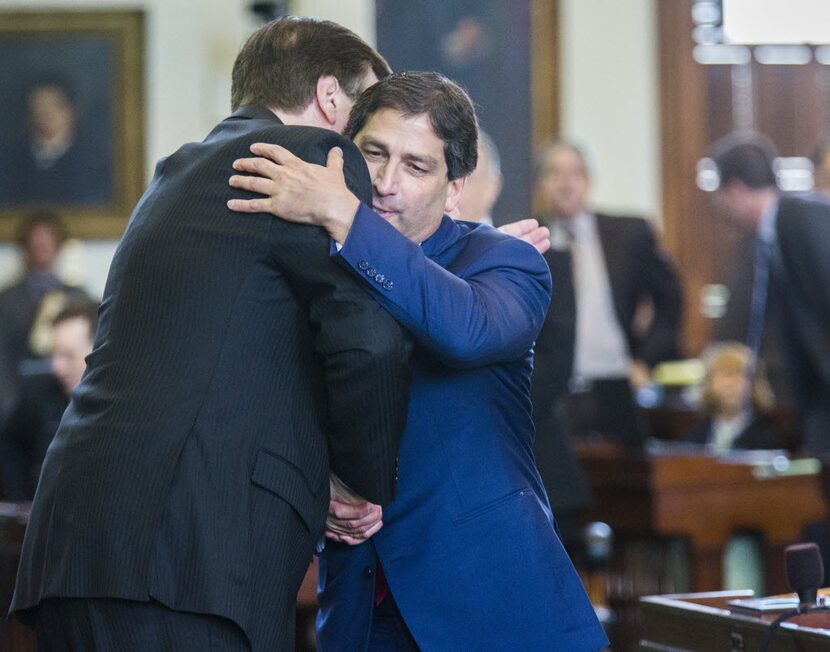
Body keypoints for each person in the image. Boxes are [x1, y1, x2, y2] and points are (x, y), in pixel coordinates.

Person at [10, 17, 412, 652]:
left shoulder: (178, 170)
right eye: (367, 124)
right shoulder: (310, 157)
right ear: (331, 99)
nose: (369, 153)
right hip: (189, 551)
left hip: (83, 543)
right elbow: (369, 340)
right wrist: (358, 486)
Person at [229, 71, 608, 650]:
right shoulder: (308, 271)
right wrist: (317, 485)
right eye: (373, 154)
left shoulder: (507, 260)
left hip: (493, 604)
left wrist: (345, 218)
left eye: (416, 166)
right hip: (359, 608)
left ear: (455, 189)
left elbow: (465, 332)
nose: (384, 183)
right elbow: (269, 407)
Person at [530, 140, 683, 546]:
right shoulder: (527, 239)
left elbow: (671, 300)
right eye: (555, 174)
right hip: (556, 398)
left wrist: (645, 362)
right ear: (541, 183)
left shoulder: (628, 232)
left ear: (589, 182)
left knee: (627, 501)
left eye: (575, 174)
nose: (566, 184)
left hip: (616, 388)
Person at [710, 132, 830, 454]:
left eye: (717, 194)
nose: (717, 206)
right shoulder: (767, 236)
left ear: (734, 189)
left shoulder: (801, 217)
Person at [1, 299, 99, 500]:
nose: (57, 367)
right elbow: (8, 447)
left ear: (98, 352)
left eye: (68, 355)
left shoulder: (123, 405)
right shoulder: (37, 394)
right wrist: (24, 502)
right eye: (54, 354)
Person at [0, 212, 86, 381]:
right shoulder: (6, 300)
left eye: (48, 238)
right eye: (36, 239)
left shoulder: (79, 298)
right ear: (25, 246)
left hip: (69, 395)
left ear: (60, 244)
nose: (42, 244)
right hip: (21, 396)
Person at [0, 77, 112, 205]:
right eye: (38, 106)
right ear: (29, 114)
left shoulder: (94, 159)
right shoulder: (10, 158)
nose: (46, 114)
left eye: (54, 106)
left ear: (72, 111)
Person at [685, 342, 785, 453]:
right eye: (724, 375)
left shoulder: (768, 441)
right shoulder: (693, 439)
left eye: (739, 375)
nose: (730, 384)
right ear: (708, 383)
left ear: (755, 385)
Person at [453, 129, 503, 224]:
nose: (449, 191)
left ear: (492, 187)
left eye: (465, 179)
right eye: (446, 178)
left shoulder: (511, 237)